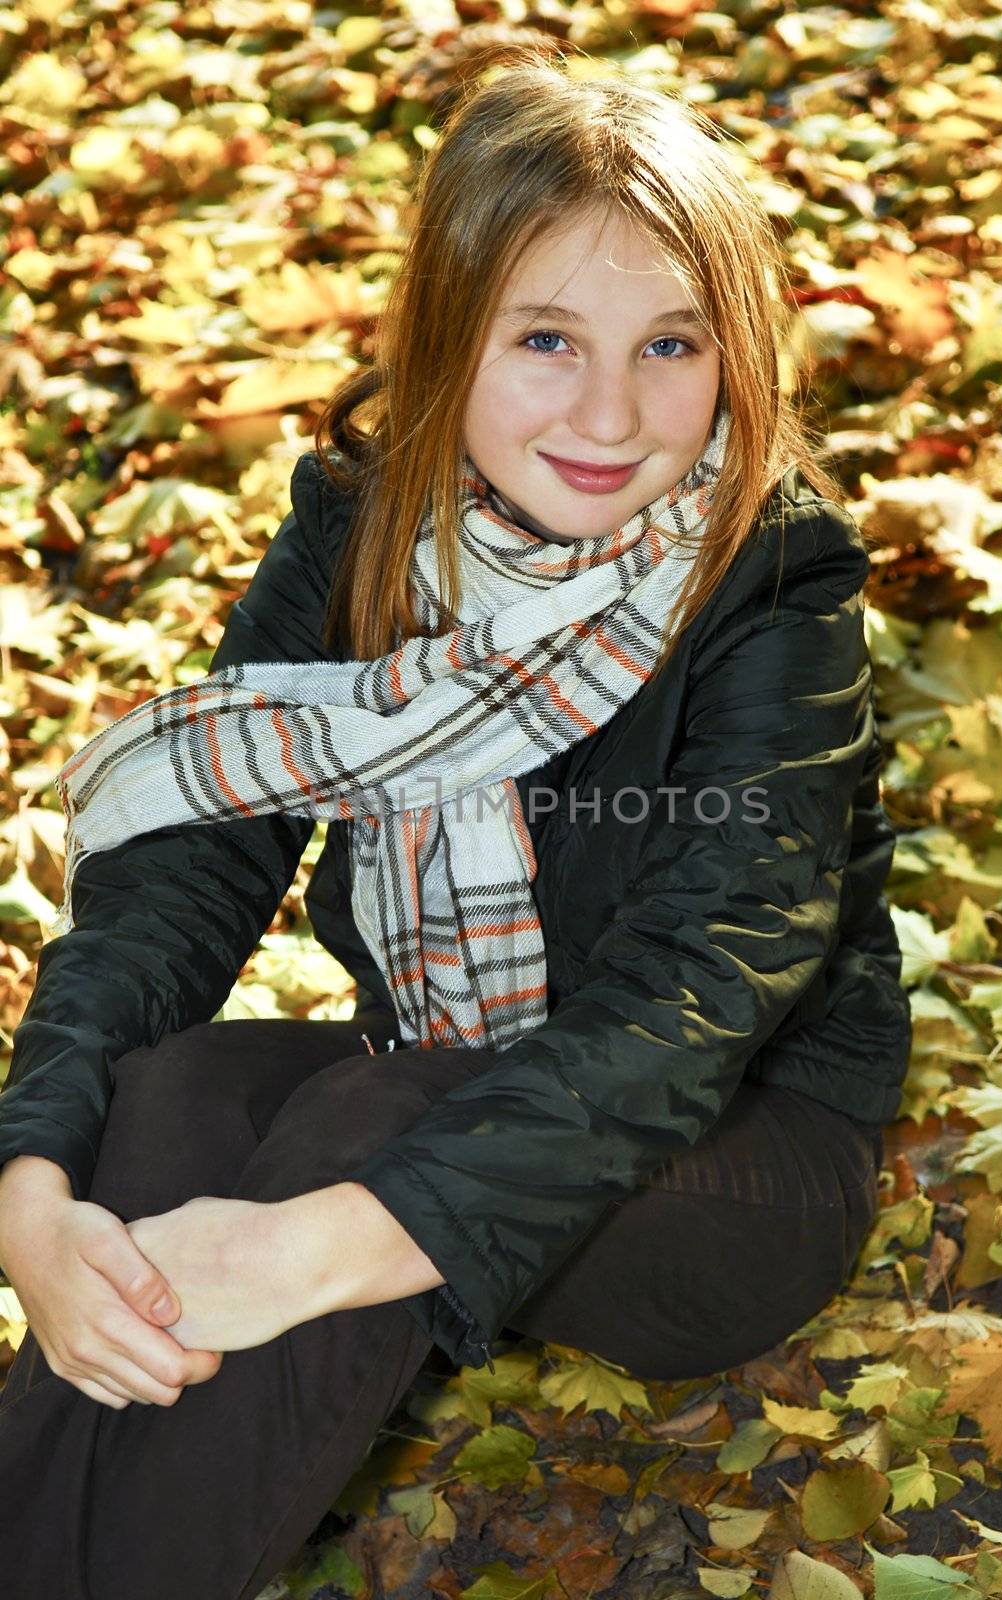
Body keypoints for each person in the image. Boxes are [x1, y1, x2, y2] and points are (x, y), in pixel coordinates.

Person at [0, 52, 911, 1600]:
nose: (612, 415)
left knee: (369, 1132)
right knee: (169, 1104)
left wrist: (317, 1248)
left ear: (736, 353)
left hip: (733, 1161)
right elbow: (193, 870)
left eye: (670, 344)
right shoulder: (363, 537)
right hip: (444, 1088)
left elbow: (689, 1012)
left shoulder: (773, 584)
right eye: (546, 338)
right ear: (448, 340)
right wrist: (34, 1183)